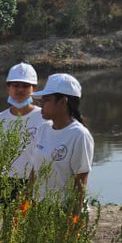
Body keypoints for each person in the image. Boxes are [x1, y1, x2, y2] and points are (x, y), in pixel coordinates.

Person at [30, 73, 94, 203]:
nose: (41, 104)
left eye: (46, 100)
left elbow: (81, 181)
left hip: (63, 208)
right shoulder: (43, 129)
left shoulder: (79, 135)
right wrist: (26, 200)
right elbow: (34, 171)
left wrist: (74, 214)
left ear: (63, 102)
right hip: (38, 206)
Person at [0, 62, 45, 202]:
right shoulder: (0, 119)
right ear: (8, 88)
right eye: (15, 85)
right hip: (6, 182)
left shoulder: (44, 118)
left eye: (25, 86)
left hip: (36, 182)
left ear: (34, 89)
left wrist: (31, 187)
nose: (20, 90)